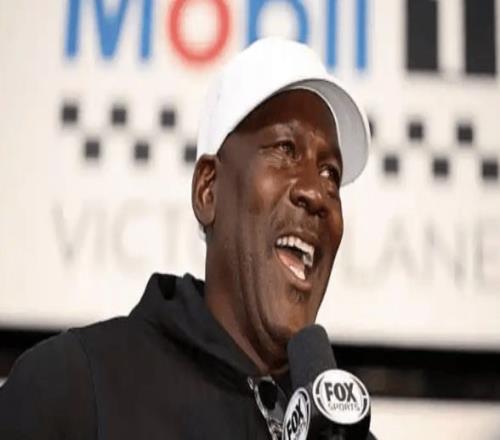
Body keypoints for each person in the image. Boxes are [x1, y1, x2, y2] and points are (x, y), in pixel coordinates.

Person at [0, 38, 373, 439]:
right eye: (285, 149)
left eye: (331, 174)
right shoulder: (74, 387)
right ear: (208, 191)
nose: (316, 192)